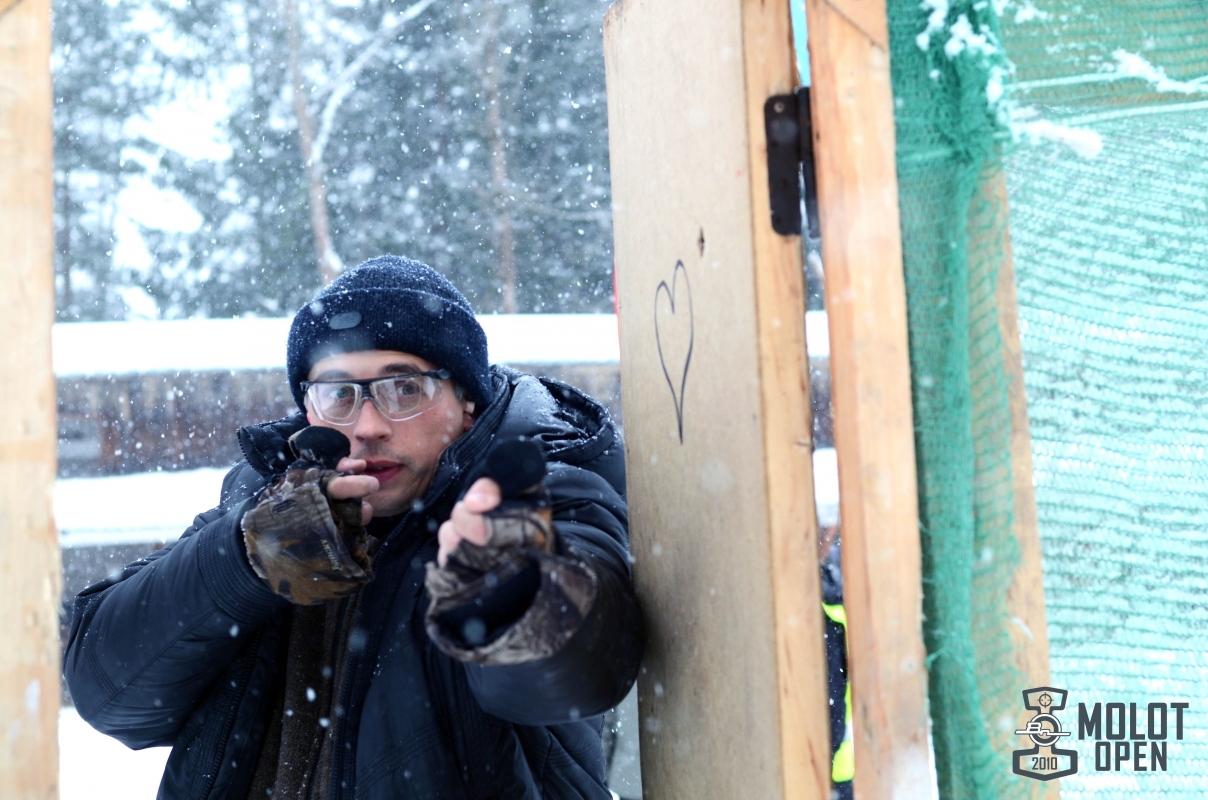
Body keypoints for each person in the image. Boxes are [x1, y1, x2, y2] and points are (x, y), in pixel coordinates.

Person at [63, 255, 643, 799]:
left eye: (404, 388)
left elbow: (579, 668)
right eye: (339, 393)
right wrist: (245, 564)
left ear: (467, 401)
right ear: (309, 410)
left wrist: (506, 589)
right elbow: (109, 693)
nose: (367, 426)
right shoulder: (269, 505)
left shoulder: (538, 493)